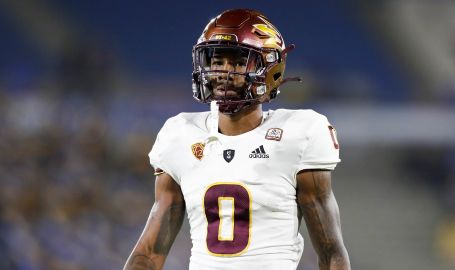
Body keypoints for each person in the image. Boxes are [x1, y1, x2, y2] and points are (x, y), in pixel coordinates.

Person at [124, 8, 351, 270]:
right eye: (218, 61)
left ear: (270, 68)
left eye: (238, 62)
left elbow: (331, 252)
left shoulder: (299, 133)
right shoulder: (180, 134)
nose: (224, 72)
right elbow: (150, 253)